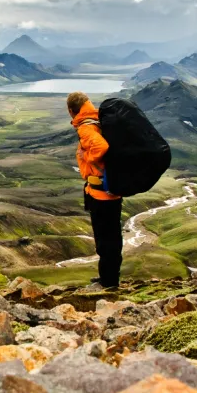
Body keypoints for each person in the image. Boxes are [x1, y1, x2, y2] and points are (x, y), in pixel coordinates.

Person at [67, 91, 123, 289]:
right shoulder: (98, 120)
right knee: (112, 236)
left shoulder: (86, 127)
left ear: (71, 110)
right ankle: (108, 277)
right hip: (110, 190)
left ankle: (109, 283)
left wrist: (90, 160)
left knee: (105, 239)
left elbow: (100, 147)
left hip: (101, 194)